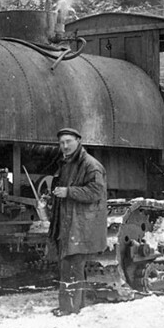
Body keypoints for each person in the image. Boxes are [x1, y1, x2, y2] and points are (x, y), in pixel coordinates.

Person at [48, 127, 108, 316]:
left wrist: (68, 192)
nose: (64, 146)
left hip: (80, 224)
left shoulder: (90, 165)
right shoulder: (67, 163)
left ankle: (68, 309)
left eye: (68, 142)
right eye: (61, 143)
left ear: (78, 141)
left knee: (71, 265)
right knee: (71, 265)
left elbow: (97, 191)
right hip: (69, 222)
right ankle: (76, 306)